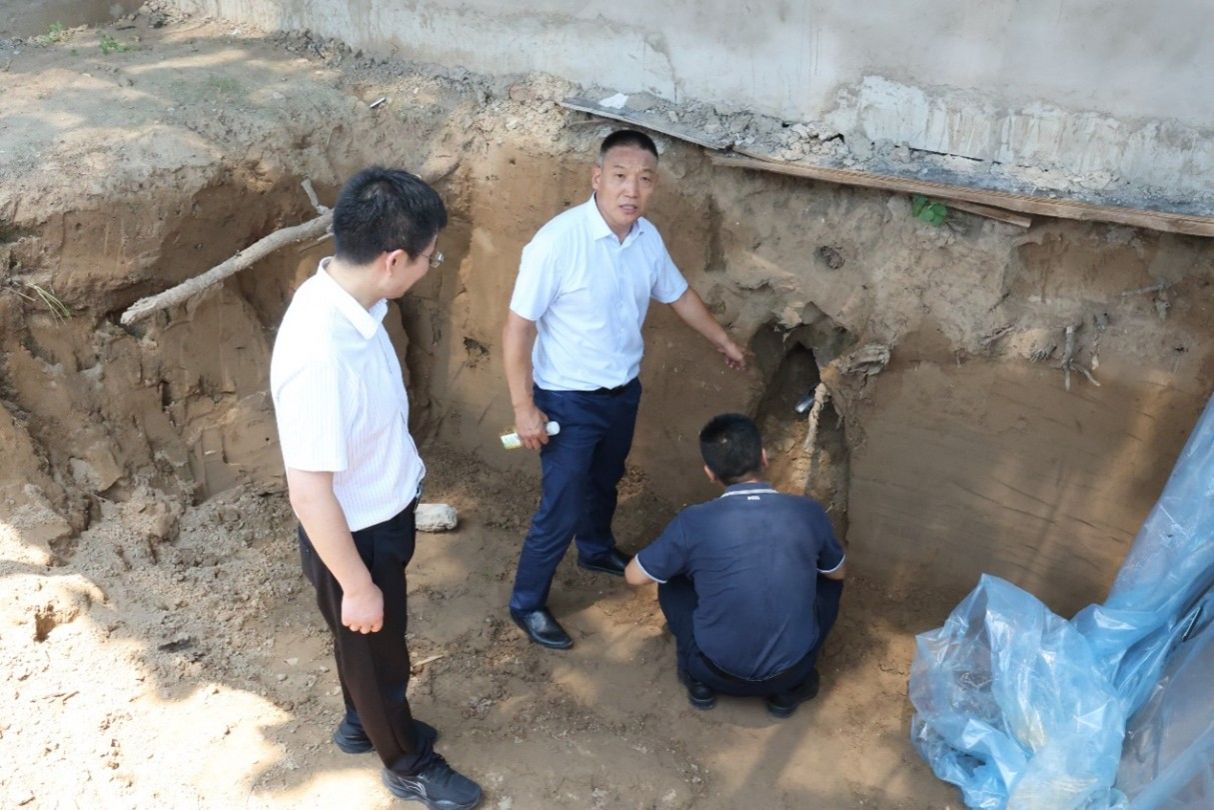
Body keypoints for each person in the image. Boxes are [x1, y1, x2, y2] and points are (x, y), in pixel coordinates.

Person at [270, 167, 481, 809]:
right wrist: (358, 584)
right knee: (378, 652)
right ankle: (406, 763)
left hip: (379, 513)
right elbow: (309, 493)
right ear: (393, 260)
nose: (429, 267)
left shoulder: (353, 303)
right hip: (353, 534)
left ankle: (360, 722)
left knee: (362, 645)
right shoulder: (320, 352)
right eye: (428, 257)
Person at [502, 129, 747, 650]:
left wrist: (722, 339)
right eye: (619, 176)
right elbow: (518, 328)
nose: (630, 190)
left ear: (654, 186)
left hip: (621, 392)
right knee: (561, 504)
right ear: (597, 178)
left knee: (606, 479)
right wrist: (524, 408)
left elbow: (678, 294)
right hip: (567, 398)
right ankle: (526, 603)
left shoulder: (646, 238)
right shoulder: (556, 243)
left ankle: (594, 549)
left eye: (644, 179)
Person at [624, 413, 846, 718]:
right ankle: (787, 693)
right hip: (792, 671)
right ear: (763, 458)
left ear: (710, 473)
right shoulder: (808, 512)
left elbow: (635, 576)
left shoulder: (693, 521)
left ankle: (698, 683)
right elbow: (838, 572)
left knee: (671, 577)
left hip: (713, 671)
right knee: (829, 579)